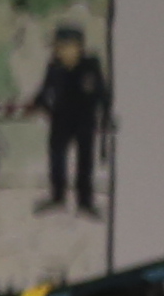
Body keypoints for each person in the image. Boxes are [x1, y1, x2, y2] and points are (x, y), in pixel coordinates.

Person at [36, 21, 114, 213]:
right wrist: (49, 110)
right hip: (60, 121)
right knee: (57, 160)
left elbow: (102, 93)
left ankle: (85, 202)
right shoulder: (54, 67)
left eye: (66, 46)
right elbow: (42, 94)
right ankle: (57, 197)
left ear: (79, 47)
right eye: (59, 47)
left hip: (85, 121)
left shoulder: (90, 66)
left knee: (85, 161)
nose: (62, 51)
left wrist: (104, 116)